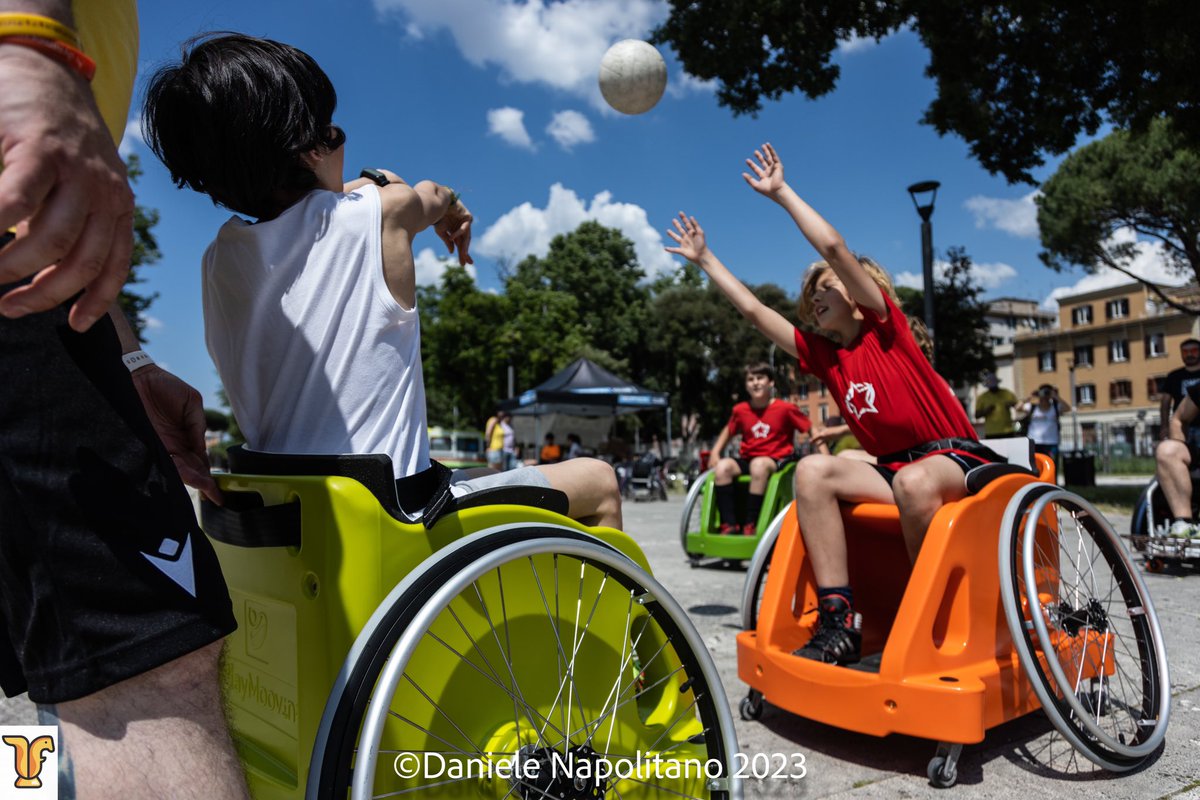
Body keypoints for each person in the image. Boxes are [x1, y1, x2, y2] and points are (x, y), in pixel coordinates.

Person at [143, 33, 621, 530]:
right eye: (332, 129)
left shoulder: (217, 261)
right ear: (310, 149)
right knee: (600, 480)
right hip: (399, 514)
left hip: (288, 516)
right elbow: (426, 193)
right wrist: (451, 203)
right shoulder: (382, 214)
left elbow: (328, 209)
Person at [0, 3, 246, 797]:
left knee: (55, 658)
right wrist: (25, 42)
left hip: (40, 262)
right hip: (13, 224)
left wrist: (127, 350)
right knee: (146, 665)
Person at [664, 142, 1003, 666]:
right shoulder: (829, 360)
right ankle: (839, 620)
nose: (814, 296)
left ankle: (929, 615)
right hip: (899, 471)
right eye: (810, 293)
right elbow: (756, 313)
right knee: (816, 471)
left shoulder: (886, 331)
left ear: (856, 293)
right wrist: (706, 259)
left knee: (911, 480)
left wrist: (781, 193)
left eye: (825, 287)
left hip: (960, 460)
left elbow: (837, 248)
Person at [707, 363, 811, 535]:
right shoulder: (740, 410)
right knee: (723, 467)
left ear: (771, 383)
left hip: (776, 460)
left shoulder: (785, 408)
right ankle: (729, 524)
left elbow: (810, 429)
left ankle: (751, 523)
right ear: (746, 385)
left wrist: (826, 456)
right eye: (750, 379)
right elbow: (729, 430)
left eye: (760, 378)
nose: (755, 383)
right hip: (748, 458)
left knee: (759, 465)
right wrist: (715, 452)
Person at [1155, 341, 1200, 536]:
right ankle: (1184, 523)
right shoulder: (1177, 377)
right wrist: (1168, 431)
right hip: (1195, 438)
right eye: (1186, 351)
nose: (1190, 354)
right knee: (1167, 450)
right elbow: (1178, 419)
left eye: (1194, 351)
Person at [1019, 384, 1070, 464]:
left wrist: (1056, 396)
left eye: (1047, 393)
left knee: (1051, 465)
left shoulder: (1055, 407)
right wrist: (1030, 397)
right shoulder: (1032, 407)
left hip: (1051, 443)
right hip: (1034, 442)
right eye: (1043, 393)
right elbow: (1017, 408)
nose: (1045, 396)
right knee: (1036, 466)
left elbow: (1067, 408)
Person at [974, 372, 1019, 437]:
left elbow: (1017, 405)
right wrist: (986, 411)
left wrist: (1011, 404)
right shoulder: (982, 397)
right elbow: (976, 415)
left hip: (1007, 430)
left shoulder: (1006, 393)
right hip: (991, 432)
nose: (993, 388)